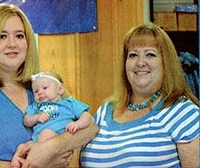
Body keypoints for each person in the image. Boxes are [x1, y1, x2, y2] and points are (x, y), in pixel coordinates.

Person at [0, 3, 98, 168]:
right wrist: (38, 164)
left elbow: (90, 127)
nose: (12, 43)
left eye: (19, 36)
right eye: (2, 36)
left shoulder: (42, 85)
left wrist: (51, 148)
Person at [80, 23, 199, 167]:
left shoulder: (184, 113)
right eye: (133, 55)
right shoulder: (105, 110)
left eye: (150, 54)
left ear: (166, 63)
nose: (140, 62)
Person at [24, 71, 91, 143]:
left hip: (59, 139)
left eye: (45, 88)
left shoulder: (69, 103)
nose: (40, 92)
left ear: (60, 89)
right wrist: (36, 118)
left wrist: (78, 124)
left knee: (45, 134)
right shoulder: (36, 106)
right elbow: (26, 121)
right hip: (36, 141)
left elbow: (86, 116)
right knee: (22, 147)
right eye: (36, 91)